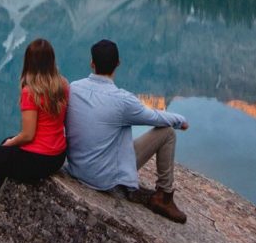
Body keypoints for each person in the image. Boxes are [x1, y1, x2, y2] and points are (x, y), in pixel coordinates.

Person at [66, 39, 189, 223]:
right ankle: (164, 197)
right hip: (104, 180)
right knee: (167, 133)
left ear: (92, 63)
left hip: (76, 170)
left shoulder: (73, 88)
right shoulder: (122, 100)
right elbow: (155, 117)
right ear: (118, 64)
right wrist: (181, 121)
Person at [0, 38, 69, 231]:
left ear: (29, 62)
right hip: (57, 156)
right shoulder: (62, 84)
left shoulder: (31, 91)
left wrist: (12, 142)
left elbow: (28, 135)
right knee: (6, 144)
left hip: (37, 161)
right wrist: (9, 143)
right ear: (51, 60)